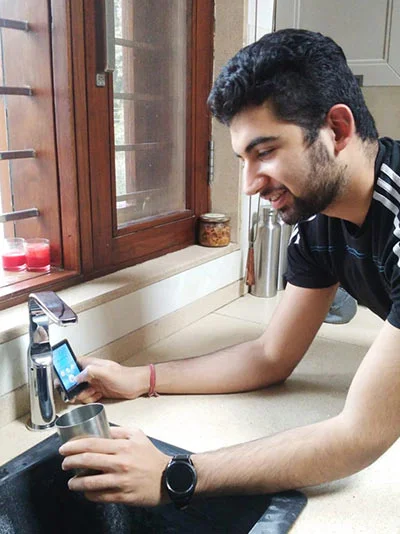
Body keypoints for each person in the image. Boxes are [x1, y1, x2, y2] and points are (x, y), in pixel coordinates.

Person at [59, 28, 400, 508]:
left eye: (265, 152)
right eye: (243, 159)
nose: (249, 185)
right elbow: (270, 357)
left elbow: (358, 435)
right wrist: (141, 378)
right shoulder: (319, 224)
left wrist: (175, 474)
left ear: (338, 130)